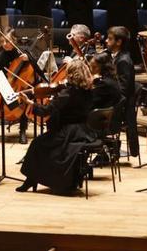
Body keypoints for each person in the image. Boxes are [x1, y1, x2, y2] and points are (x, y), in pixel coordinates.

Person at [15, 58, 95, 193]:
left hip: (67, 132)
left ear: (71, 75)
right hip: (84, 130)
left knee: (37, 143)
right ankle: (39, 179)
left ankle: (31, 180)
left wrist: (29, 103)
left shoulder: (67, 94)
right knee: (44, 143)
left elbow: (45, 111)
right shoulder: (89, 90)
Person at [106, 26, 138, 157]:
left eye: (110, 39)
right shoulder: (117, 56)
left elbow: (123, 90)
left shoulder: (124, 61)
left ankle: (108, 148)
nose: (106, 41)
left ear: (119, 42)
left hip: (122, 107)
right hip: (119, 102)